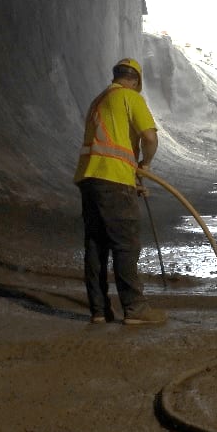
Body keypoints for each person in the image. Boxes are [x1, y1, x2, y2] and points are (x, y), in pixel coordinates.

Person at [73, 57, 167, 325]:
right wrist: (144, 165)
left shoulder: (98, 101)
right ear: (136, 80)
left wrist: (134, 179)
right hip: (114, 180)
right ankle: (135, 309)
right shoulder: (130, 97)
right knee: (125, 244)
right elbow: (149, 138)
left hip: (89, 179)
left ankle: (99, 311)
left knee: (95, 245)